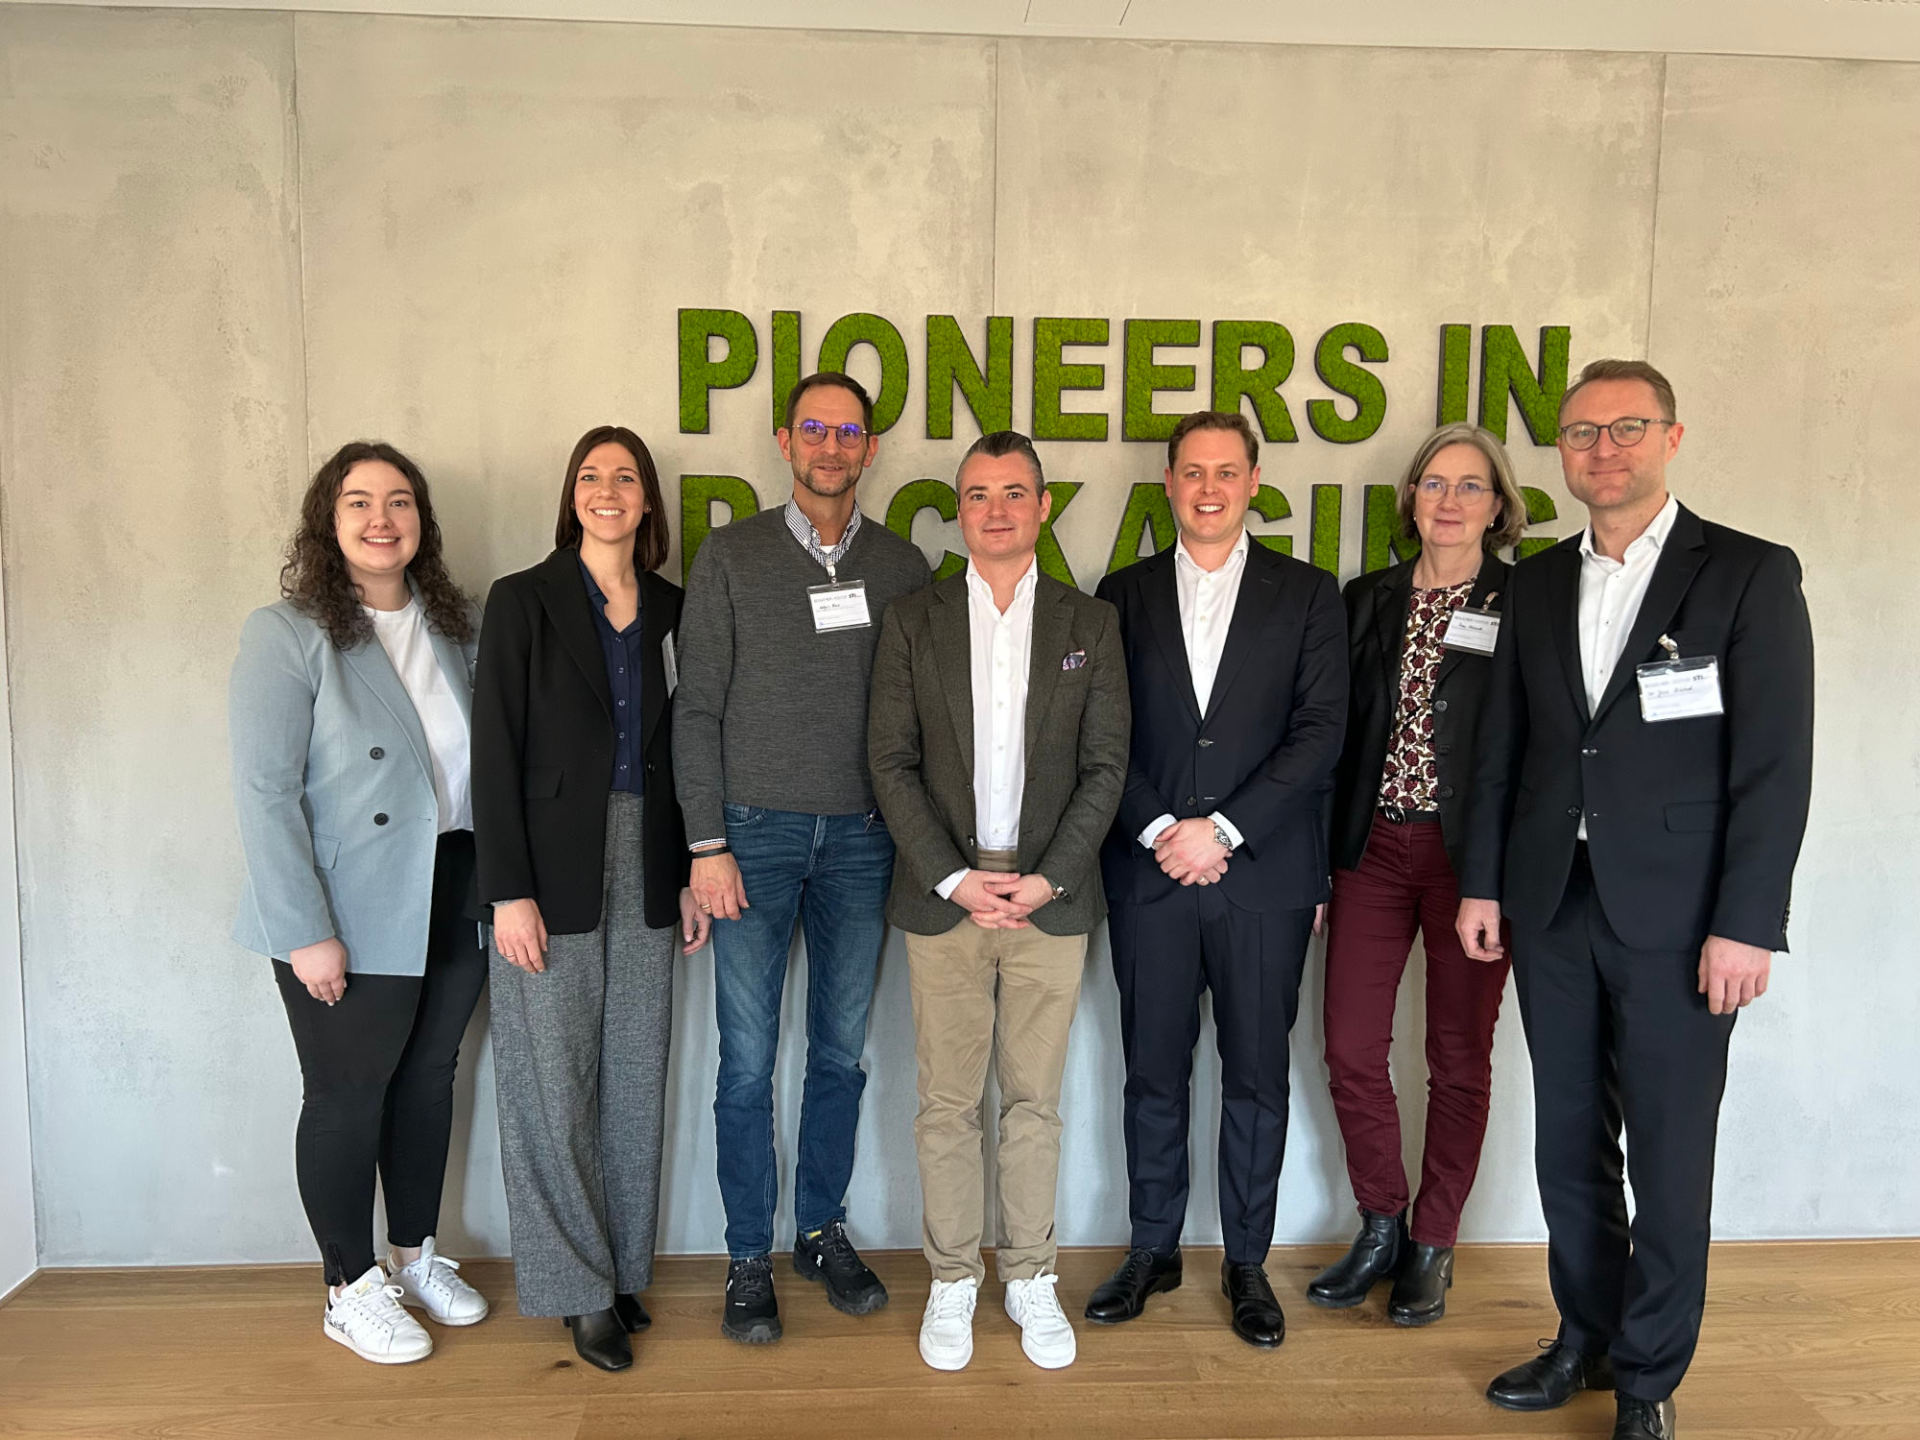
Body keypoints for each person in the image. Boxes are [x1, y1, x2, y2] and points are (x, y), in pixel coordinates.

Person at [1457, 360, 1814, 1440]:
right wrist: (1483, 882)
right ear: (1559, 454)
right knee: (1567, 1138)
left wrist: (1747, 921)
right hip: (1550, 905)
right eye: (1579, 433)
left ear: (1671, 436)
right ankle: (1588, 1336)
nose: (1600, 450)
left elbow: (1774, 765)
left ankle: (1651, 1376)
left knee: (1666, 1151)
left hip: (1681, 919)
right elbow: (1499, 753)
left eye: (1624, 429)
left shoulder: (1748, 574)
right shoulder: (1531, 583)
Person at [674, 371, 933, 1343]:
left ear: (871, 450)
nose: (832, 446)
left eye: (850, 432)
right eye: (814, 429)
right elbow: (695, 709)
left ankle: (819, 1227)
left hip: (864, 843)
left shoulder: (905, 569)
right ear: (785, 441)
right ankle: (747, 1255)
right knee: (745, 1064)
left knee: (840, 1053)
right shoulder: (731, 558)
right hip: (752, 838)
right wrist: (706, 845)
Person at [867, 431, 1130, 1373]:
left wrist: (1049, 875)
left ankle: (1028, 1275)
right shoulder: (913, 619)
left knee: (1034, 1103)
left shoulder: (1088, 624)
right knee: (945, 1103)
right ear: (959, 508)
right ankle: (950, 1280)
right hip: (946, 896)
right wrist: (953, 875)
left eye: (1015, 492)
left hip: (1052, 899)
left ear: (1043, 505)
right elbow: (889, 761)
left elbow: (1107, 767)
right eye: (979, 494)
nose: (997, 509)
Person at [1086, 409, 1347, 1348]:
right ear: (1169, 482)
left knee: (1257, 1079)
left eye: (1225, 472)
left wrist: (1224, 829)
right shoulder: (1119, 594)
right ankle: (1152, 1250)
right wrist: (1165, 829)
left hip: (1262, 879)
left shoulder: (1310, 596)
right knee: (1151, 1075)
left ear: (1253, 480)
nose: (1208, 488)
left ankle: (1246, 1263)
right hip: (1151, 876)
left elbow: (1320, 735)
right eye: (1191, 471)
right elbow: (1100, 736)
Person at [231, 441, 490, 1365]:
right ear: (328, 522)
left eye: (399, 502)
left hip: (455, 886)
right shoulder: (289, 632)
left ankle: (413, 1256)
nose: (381, 519)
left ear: (421, 520)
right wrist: (307, 933)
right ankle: (348, 1287)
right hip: (348, 903)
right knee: (346, 1096)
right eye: (358, 503)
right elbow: (264, 794)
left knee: (427, 1083)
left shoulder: (457, 629)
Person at [471, 425, 709, 1373]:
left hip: (650, 859)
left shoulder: (677, 609)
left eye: (626, 478)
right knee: (549, 1084)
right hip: (547, 870)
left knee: (633, 1077)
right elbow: (494, 753)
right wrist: (507, 894)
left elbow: (694, 747)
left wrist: (696, 865)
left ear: (649, 500)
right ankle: (573, 1289)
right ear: (571, 496)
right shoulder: (522, 600)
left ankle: (618, 1270)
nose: (607, 490)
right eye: (590, 476)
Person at [1307, 423, 1526, 1325]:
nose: (1449, 501)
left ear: (1499, 506)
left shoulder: (1529, 603)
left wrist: (1500, 876)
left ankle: (1435, 1243)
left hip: (1472, 863)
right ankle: (1381, 1222)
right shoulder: (1366, 600)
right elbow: (1332, 738)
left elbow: (1536, 747)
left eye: (1470, 486)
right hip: (1370, 850)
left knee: (1457, 1059)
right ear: (1412, 497)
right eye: (1435, 483)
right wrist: (1320, 863)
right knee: (1352, 1049)